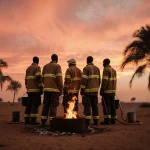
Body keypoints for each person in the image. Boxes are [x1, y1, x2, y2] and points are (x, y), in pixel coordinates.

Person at [41, 54, 63, 126]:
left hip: (46, 90)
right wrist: (61, 88)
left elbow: (42, 79)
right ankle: (52, 122)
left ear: (51, 58)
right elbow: (59, 79)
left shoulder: (45, 66)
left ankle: (43, 122)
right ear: (57, 59)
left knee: (45, 106)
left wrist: (46, 85)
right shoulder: (57, 66)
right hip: (54, 91)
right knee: (53, 107)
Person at [80, 56, 101, 127]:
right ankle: (96, 121)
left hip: (88, 91)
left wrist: (82, 89)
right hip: (95, 91)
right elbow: (99, 80)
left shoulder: (86, 68)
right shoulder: (97, 69)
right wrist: (96, 88)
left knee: (87, 106)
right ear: (92, 61)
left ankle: (87, 122)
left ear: (87, 61)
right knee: (95, 106)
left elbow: (84, 80)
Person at [24, 56, 43, 125]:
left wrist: (28, 88)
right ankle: (33, 120)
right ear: (38, 61)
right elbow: (38, 77)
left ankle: (26, 119)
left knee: (28, 105)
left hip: (30, 90)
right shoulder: (37, 68)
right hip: (36, 90)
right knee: (35, 105)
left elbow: (26, 80)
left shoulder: (28, 68)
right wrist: (41, 88)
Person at [100, 58, 117, 125]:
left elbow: (104, 81)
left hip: (107, 91)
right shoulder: (114, 70)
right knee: (112, 105)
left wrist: (102, 89)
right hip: (112, 91)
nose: (103, 64)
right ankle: (113, 120)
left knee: (106, 106)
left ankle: (107, 120)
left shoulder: (106, 70)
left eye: (103, 63)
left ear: (105, 63)